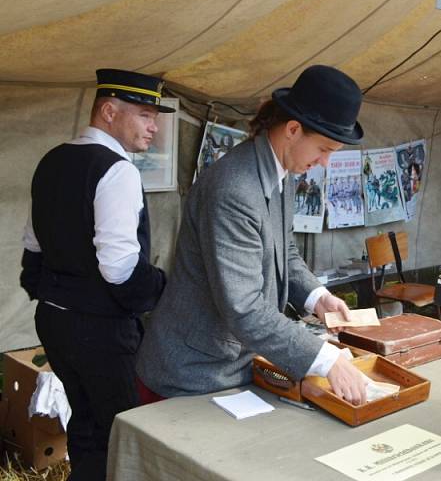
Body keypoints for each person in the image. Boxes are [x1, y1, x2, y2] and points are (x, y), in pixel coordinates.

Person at [136, 64, 369, 405]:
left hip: (231, 363)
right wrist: (325, 359)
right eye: (324, 149)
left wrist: (317, 297)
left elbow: (284, 250)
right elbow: (243, 307)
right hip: (190, 374)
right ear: (293, 129)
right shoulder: (234, 188)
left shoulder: (281, 174)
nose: (324, 163)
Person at [20, 69, 171, 481]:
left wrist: (53, 296)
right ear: (109, 111)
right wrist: (164, 290)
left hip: (54, 322)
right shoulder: (117, 170)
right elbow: (121, 270)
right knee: (122, 434)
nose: (154, 128)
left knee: (85, 427)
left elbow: (33, 248)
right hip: (99, 331)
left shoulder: (51, 160)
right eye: (144, 115)